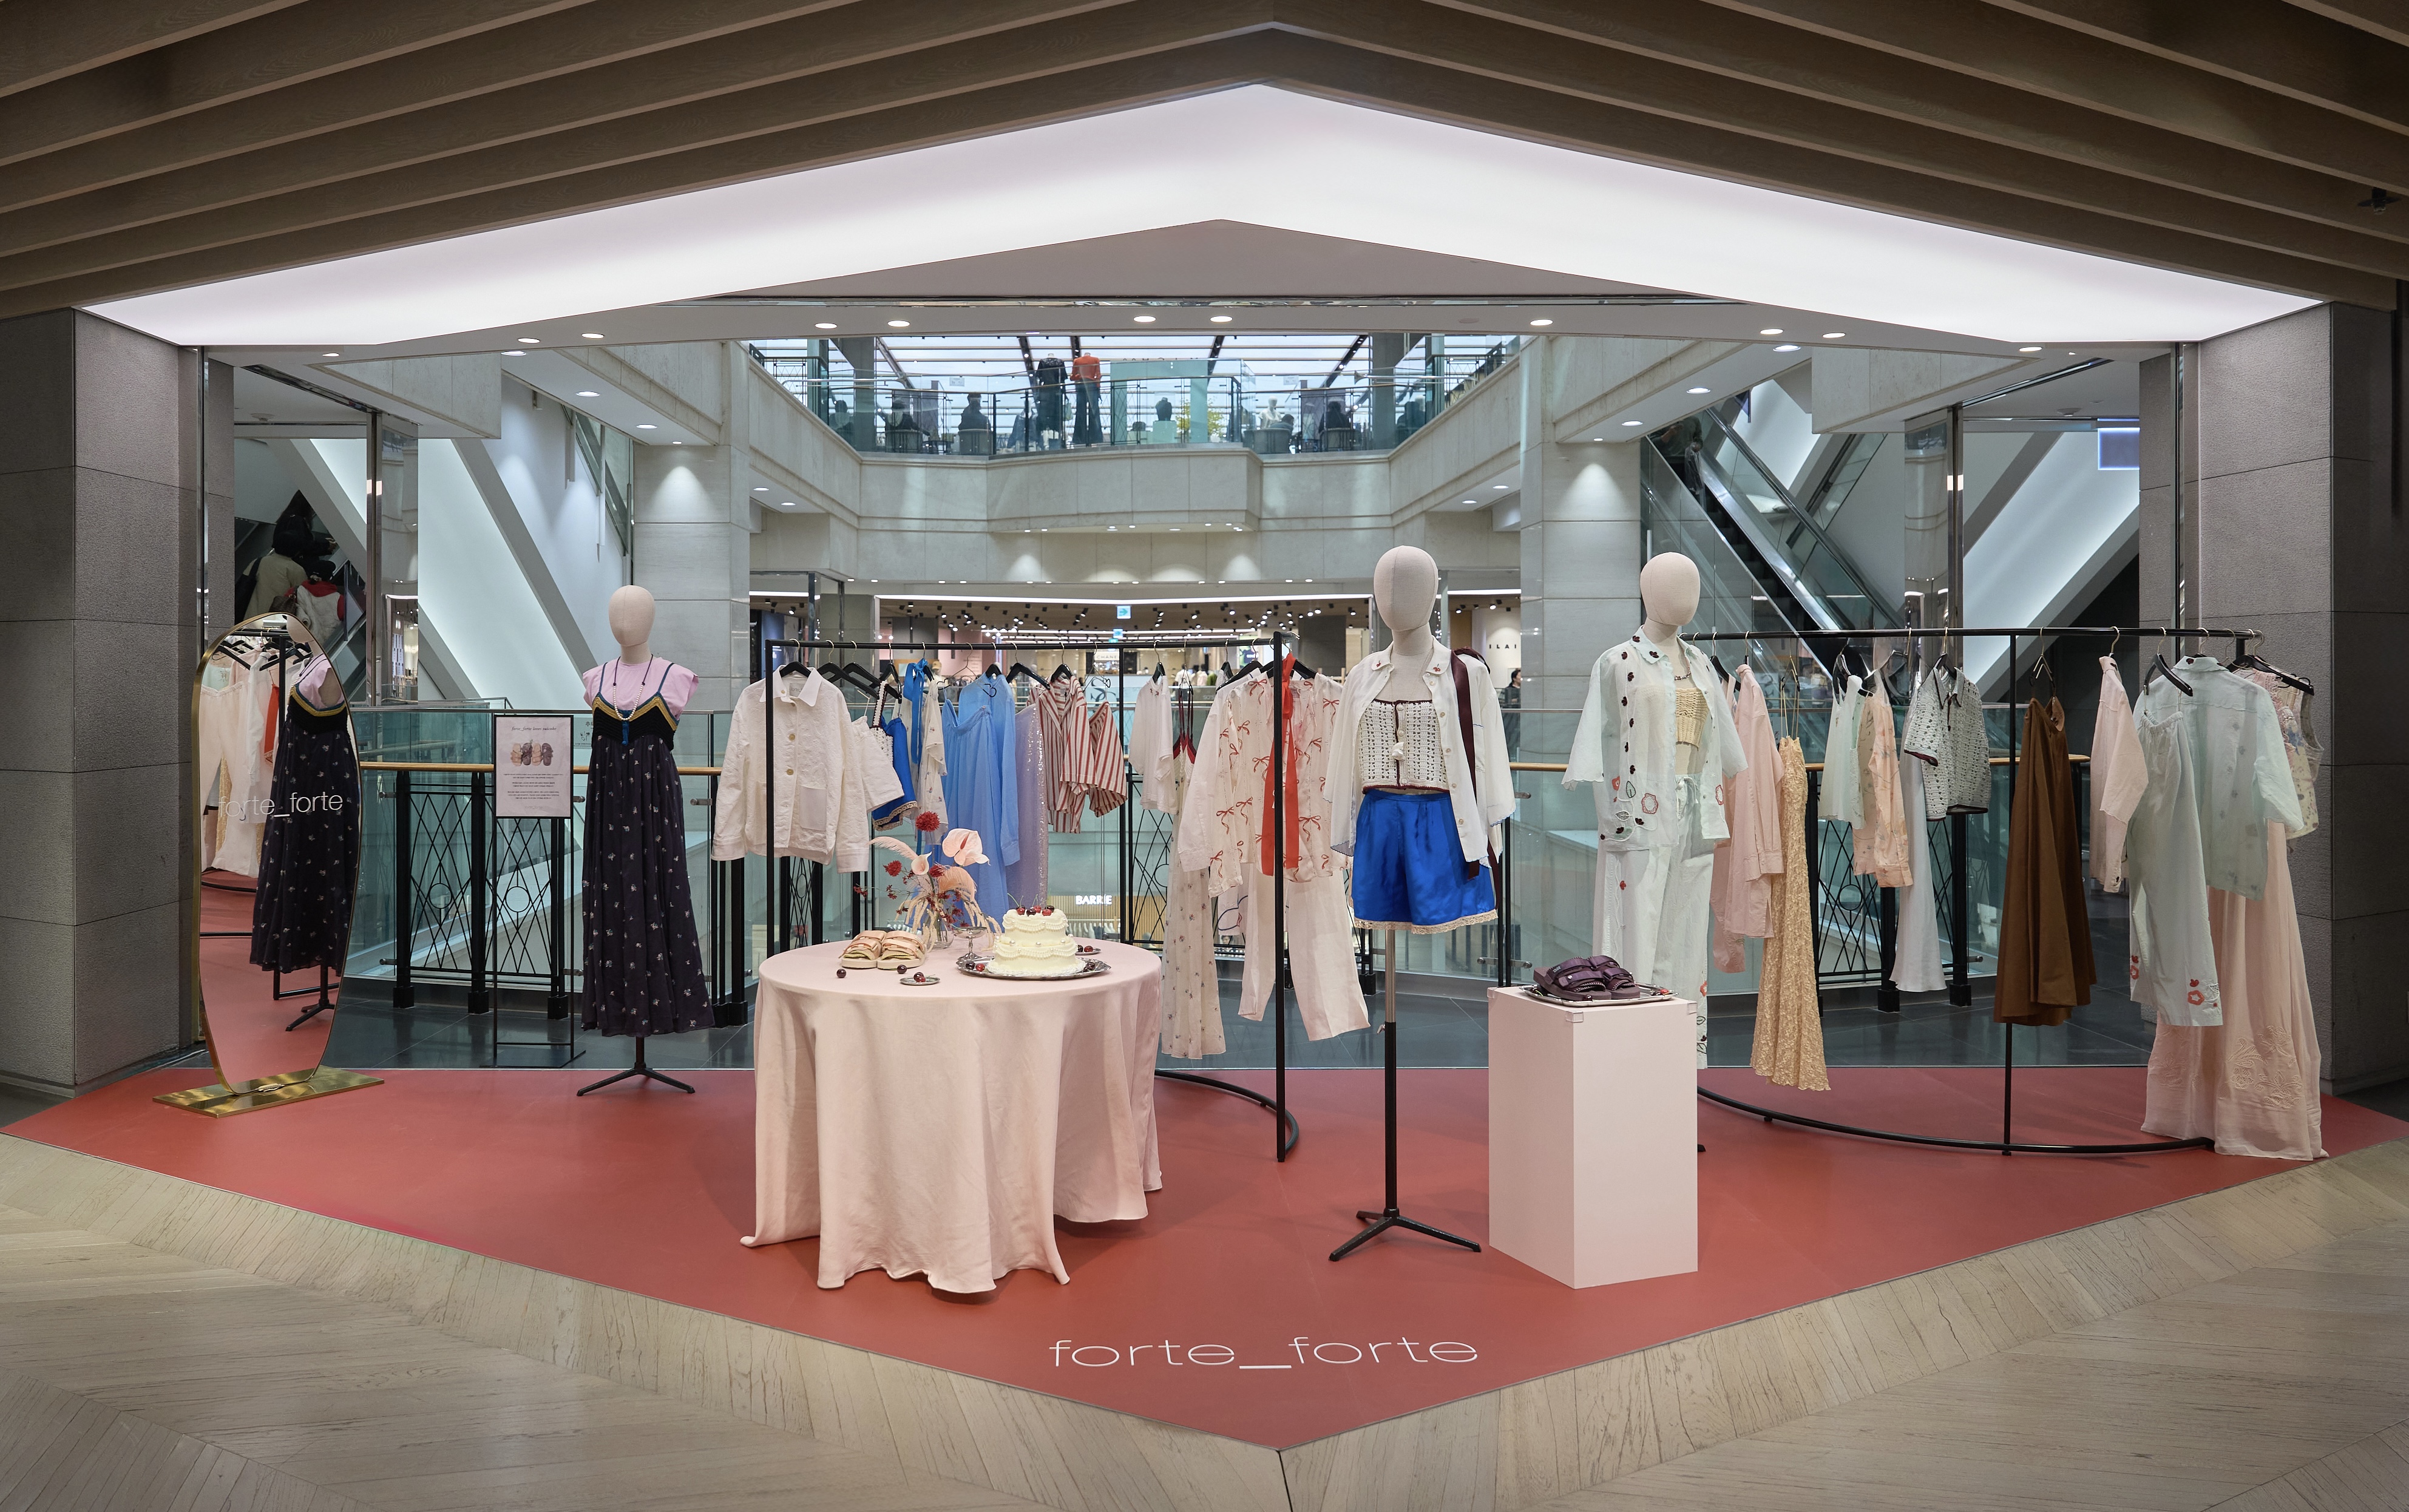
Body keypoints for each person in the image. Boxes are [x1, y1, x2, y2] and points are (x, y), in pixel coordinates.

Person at [1070, 348, 1102, 444]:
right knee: (1094, 411)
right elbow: (1098, 376)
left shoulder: (1077, 361)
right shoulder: (1096, 360)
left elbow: (1072, 377)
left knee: (1080, 412)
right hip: (1092, 385)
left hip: (1081, 385)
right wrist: (1098, 387)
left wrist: (1079, 376)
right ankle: (1095, 438)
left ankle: (1079, 438)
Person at [1502, 668, 1523, 758]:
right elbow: (1503, 702)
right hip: (1510, 717)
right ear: (1514, 678)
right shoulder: (1508, 690)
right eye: (1520, 676)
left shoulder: (1525, 690)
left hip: (1521, 717)